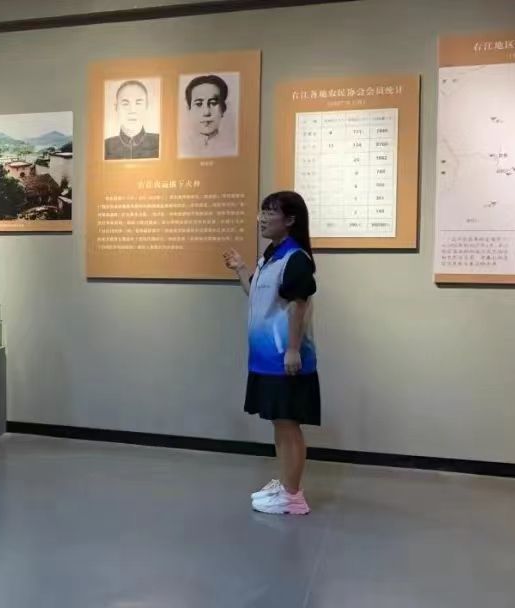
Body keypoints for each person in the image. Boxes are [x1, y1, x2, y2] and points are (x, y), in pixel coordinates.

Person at [222, 191, 320, 516]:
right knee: (280, 423)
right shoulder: (271, 256)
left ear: (290, 220)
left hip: (284, 360)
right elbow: (258, 296)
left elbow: (298, 305)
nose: (262, 218)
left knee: (288, 425)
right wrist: (241, 269)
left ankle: (293, 496)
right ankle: (287, 484)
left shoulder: (295, 258)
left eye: (270, 212)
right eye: (261, 211)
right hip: (266, 360)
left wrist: (292, 349)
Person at [180, 74, 237, 158]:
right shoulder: (181, 148)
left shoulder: (233, 147)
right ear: (189, 109)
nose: (206, 112)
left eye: (213, 103)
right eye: (199, 104)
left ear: (223, 108)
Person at [104, 80, 160, 160]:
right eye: (125, 104)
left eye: (138, 103)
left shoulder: (159, 142)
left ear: (146, 106)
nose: (132, 110)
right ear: (116, 107)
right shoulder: (105, 146)